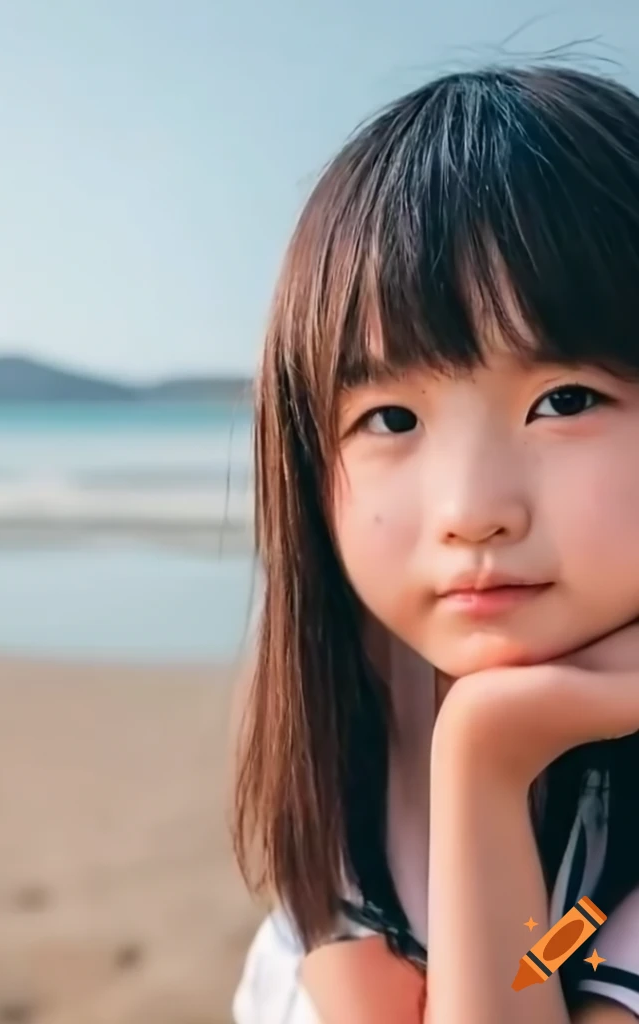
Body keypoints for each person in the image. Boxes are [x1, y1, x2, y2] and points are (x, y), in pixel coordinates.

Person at [230, 63, 639, 1023]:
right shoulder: (365, 702)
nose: (471, 510)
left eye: (565, 400)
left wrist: (486, 763)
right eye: (388, 418)